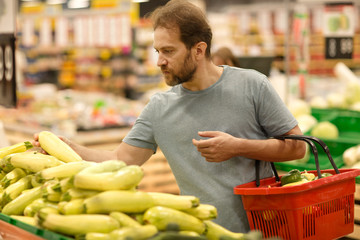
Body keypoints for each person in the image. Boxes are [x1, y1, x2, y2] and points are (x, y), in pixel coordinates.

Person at [33, 0, 305, 233]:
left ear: (198, 50)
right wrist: (67, 147)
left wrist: (238, 147)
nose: (159, 61)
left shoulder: (251, 85)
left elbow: (299, 147)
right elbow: (121, 160)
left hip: (266, 230)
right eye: (157, 51)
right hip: (200, 232)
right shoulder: (159, 108)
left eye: (169, 51)